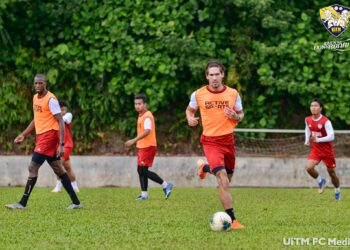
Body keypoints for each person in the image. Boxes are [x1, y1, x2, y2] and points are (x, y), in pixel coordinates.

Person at [5, 74, 83, 209]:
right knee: (59, 169)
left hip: (49, 136)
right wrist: (23, 134)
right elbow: (36, 119)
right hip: (41, 136)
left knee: (33, 166)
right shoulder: (35, 98)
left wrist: (61, 144)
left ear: (45, 83)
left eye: (40, 83)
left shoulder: (51, 99)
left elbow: (60, 121)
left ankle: (22, 203)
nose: (37, 86)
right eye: (35, 83)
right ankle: (76, 203)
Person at [186, 60, 244, 229]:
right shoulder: (198, 94)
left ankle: (204, 168)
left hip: (228, 141)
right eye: (211, 75)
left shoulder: (233, 94)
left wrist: (235, 116)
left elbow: (241, 115)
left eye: (217, 74)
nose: (214, 78)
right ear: (206, 76)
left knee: (228, 178)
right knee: (223, 181)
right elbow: (190, 110)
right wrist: (190, 118)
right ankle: (232, 220)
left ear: (222, 75)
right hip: (210, 141)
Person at [125, 94, 173, 200]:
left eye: (140, 104)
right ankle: (144, 195)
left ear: (145, 104)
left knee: (142, 171)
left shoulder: (147, 115)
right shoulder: (141, 115)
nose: (137, 106)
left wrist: (133, 140)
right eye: (136, 104)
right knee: (140, 170)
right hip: (143, 146)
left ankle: (166, 185)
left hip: (148, 146)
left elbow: (147, 131)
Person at [304, 98, 340, 200]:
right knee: (308, 167)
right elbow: (307, 129)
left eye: (315, 106)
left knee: (332, 173)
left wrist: (318, 140)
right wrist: (307, 140)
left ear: (320, 108)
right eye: (312, 106)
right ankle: (320, 180)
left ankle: (337, 190)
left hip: (327, 151)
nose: (313, 108)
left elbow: (331, 136)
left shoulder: (326, 121)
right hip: (316, 150)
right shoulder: (307, 119)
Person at [52, 101, 79, 193]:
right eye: (60, 109)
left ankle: (58, 186)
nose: (62, 111)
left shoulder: (68, 115)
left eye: (63, 109)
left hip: (66, 145)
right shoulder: (55, 118)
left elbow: (64, 120)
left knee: (58, 164)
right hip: (59, 145)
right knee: (68, 168)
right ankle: (75, 185)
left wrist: (55, 117)